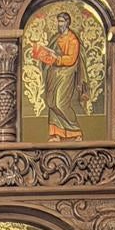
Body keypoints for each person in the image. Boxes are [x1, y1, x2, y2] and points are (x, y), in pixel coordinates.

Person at [29, 11, 91, 140]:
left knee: (60, 103)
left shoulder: (72, 39)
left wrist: (57, 58)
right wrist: (43, 53)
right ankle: (56, 133)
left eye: (61, 21)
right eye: (58, 21)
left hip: (66, 74)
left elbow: (71, 59)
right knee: (51, 102)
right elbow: (51, 51)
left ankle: (76, 131)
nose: (59, 24)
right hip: (53, 73)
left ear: (67, 22)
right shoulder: (56, 37)